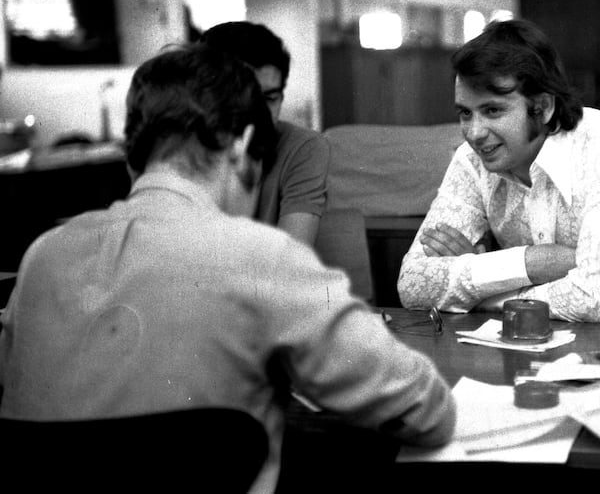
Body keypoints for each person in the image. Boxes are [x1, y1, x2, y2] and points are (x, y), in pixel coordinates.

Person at [0, 44, 456, 493]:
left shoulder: (42, 257)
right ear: (241, 148)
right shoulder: (263, 256)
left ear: (132, 153)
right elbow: (427, 410)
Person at [397, 19, 600, 322]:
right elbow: (413, 284)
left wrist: (479, 288)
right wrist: (532, 263)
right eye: (465, 113)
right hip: (530, 345)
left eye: (492, 110)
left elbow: (594, 298)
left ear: (543, 107)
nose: (474, 133)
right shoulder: (470, 160)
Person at [200, 21, 330, 245]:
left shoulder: (303, 148)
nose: (259, 113)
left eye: (270, 98)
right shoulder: (181, 149)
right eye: (246, 98)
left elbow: (289, 261)